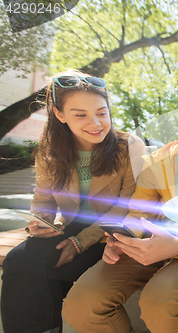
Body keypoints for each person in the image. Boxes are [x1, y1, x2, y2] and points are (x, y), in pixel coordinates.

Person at [62, 88, 178, 333]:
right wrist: (123, 239)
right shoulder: (156, 162)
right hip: (154, 239)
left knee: (159, 301)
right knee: (82, 304)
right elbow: (139, 212)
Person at [1, 70, 143, 333]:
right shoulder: (49, 149)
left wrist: (81, 242)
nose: (96, 123)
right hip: (68, 225)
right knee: (17, 261)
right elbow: (43, 197)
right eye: (81, 115)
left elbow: (126, 206)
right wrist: (40, 222)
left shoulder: (128, 146)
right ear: (59, 114)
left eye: (102, 113)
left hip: (108, 232)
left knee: (50, 271)